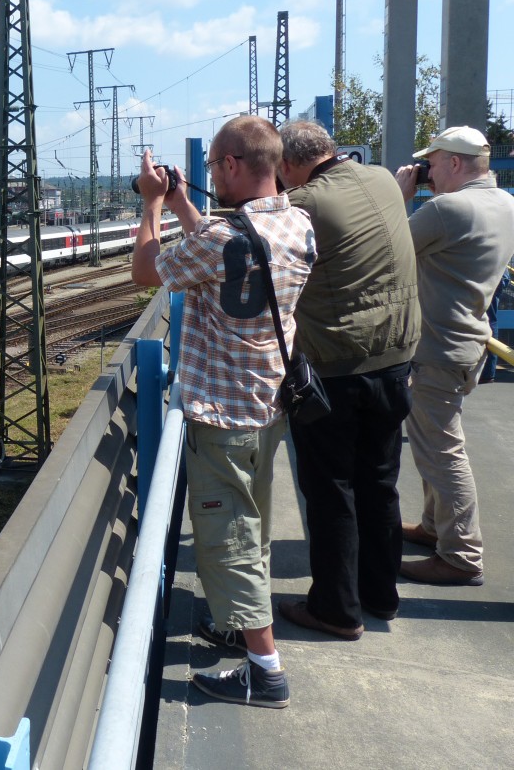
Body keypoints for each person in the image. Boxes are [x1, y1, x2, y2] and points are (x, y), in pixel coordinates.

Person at [132, 115, 315, 709]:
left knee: (227, 537)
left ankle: (265, 670)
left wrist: (153, 204)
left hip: (221, 415)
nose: (211, 174)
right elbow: (234, 250)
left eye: (214, 165)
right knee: (253, 528)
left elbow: (146, 271)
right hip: (269, 407)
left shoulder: (219, 241)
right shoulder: (297, 224)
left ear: (232, 165)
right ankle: (239, 626)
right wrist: (185, 204)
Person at [276, 121, 420, 637]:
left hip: (336, 368)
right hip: (396, 360)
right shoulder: (380, 178)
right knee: (379, 483)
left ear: (287, 165)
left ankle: (336, 610)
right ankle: (381, 595)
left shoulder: (302, 205)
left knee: (331, 491)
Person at [395, 126, 514, 586]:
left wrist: (402, 197)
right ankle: (434, 526)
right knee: (433, 445)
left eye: (431, 163)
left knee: (443, 452)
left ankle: (461, 554)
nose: (426, 171)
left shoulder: (446, 209)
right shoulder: (504, 203)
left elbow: (386, 249)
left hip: (437, 348)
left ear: (455, 163)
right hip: (468, 342)